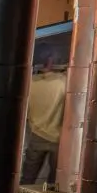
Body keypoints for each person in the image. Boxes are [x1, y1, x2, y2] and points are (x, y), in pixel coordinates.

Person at [21, 47, 67, 185]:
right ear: (51, 61)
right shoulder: (64, 82)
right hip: (59, 140)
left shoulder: (29, 83)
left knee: (28, 178)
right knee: (54, 182)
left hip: (36, 136)